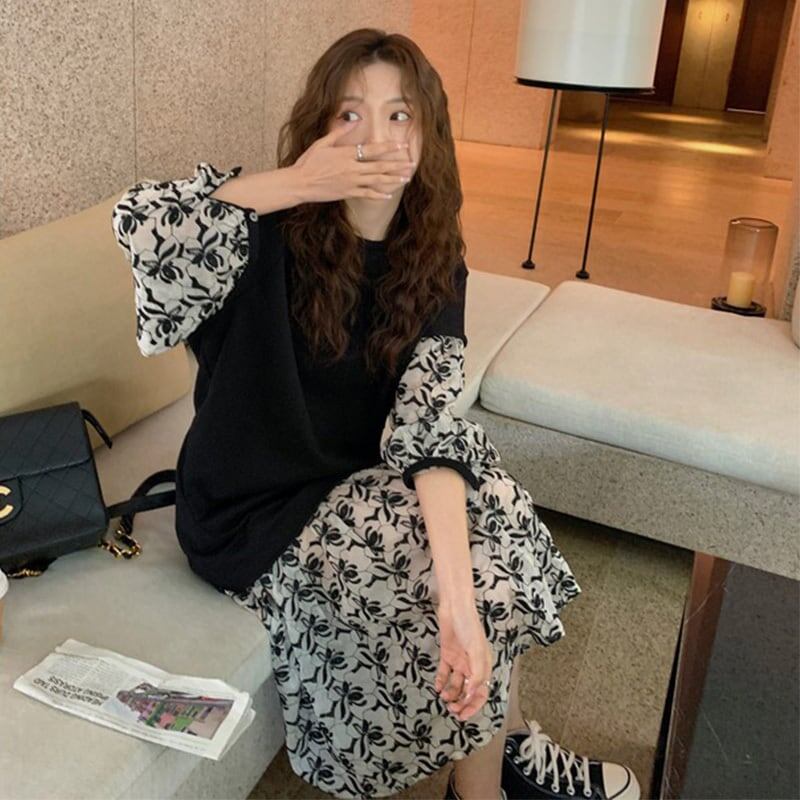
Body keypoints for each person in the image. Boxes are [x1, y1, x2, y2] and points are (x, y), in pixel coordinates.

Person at [111, 27, 641, 800]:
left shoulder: (432, 257)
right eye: (350, 114)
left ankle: (496, 765)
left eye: (400, 115)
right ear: (320, 128)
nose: (378, 137)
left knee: (486, 504)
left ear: (427, 136)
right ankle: (497, 775)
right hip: (251, 511)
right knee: (473, 558)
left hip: (360, 485)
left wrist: (458, 606)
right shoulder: (260, 236)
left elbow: (430, 427)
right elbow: (142, 226)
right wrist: (296, 182)